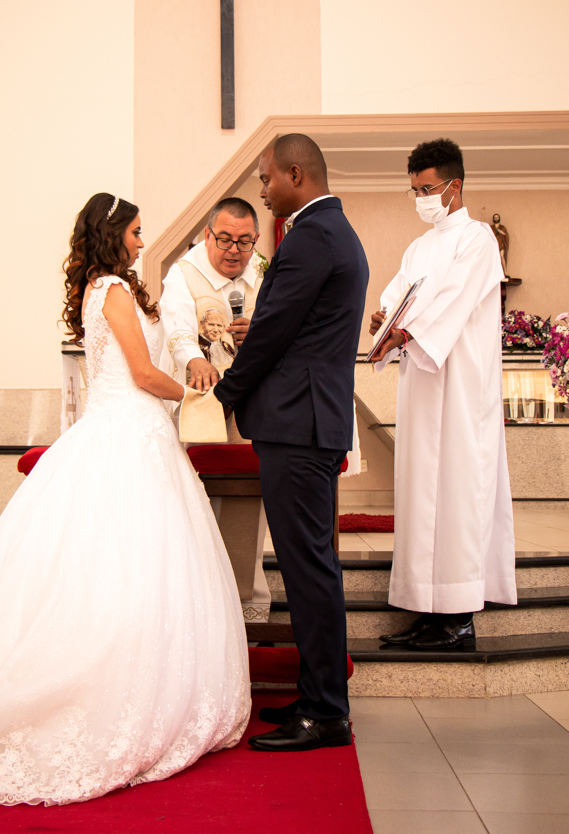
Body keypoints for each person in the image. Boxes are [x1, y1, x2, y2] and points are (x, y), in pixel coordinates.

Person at [0, 193, 250, 810]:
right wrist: (202, 394)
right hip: (128, 433)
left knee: (126, 567)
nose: (145, 243)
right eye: (137, 233)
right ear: (113, 235)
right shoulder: (113, 289)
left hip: (128, 433)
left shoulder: (101, 287)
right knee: (127, 565)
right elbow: (142, 374)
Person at [214, 134, 369, 753]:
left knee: (308, 569)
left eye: (265, 177)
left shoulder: (311, 235)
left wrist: (224, 393)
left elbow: (277, 330)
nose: (261, 188)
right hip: (305, 419)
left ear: (295, 174)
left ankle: (326, 710)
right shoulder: (329, 232)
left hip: (298, 425)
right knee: (310, 566)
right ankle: (316, 698)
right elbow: (296, 320)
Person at [369, 139, 517, 650]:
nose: (421, 199)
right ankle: (427, 608)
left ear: (456, 185)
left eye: (428, 189)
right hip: (422, 385)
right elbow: (396, 296)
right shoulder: (419, 246)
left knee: (455, 494)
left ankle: (458, 617)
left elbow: (451, 303)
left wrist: (406, 332)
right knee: (420, 496)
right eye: (414, 191)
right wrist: (383, 323)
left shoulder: (477, 241)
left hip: (459, 390)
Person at [159, 196, 271, 622]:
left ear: (255, 240)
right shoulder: (184, 274)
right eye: (224, 239)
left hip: (253, 405)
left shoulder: (264, 271)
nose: (233, 251)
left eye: (244, 242)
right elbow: (177, 324)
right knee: (194, 503)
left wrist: (258, 334)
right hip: (202, 402)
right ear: (208, 234)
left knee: (246, 503)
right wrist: (195, 359)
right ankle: (193, 604)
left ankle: (246, 601)